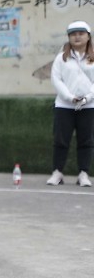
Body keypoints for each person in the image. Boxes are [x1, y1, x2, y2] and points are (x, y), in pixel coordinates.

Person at [47, 20, 94, 187]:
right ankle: (57, 172)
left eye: (81, 34)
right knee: (61, 140)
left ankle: (83, 174)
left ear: (88, 36)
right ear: (68, 38)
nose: (77, 37)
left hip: (89, 106)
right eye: (73, 34)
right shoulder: (61, 58)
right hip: (64, 106)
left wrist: (87, 98)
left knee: (86, 141)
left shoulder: (92, 57)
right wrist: (69, 97)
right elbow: (56, 79)